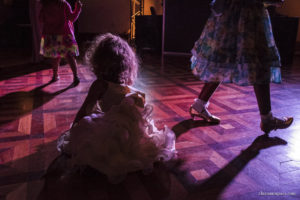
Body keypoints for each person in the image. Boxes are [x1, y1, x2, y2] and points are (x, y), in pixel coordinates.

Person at [56, 33, 177, 183]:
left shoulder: (100, 85)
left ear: (98, 62)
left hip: (114, 129)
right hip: (132, 132)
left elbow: (85, 108)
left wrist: (74, 128)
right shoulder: (129, 88)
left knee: (89, 131)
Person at [189, 0, 293, 134]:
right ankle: (267, 119)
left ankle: (198, 105)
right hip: (248, 18)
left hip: (229, 16)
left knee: (223, 61)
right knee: (258, 64)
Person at [39, 0, 82, 84]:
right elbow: (72, 18)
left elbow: (40, 19)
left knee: (55, 57)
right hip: (64, 34)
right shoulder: (63, 4)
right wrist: (78, 8)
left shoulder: (46, 5)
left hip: (50, 35)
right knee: (69, 57)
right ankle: (75, 76)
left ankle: (55, 76)